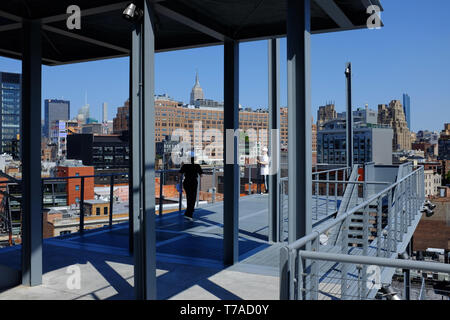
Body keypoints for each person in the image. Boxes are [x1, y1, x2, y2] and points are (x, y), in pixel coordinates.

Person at [179, 152, 203, 220]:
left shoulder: (185, 165)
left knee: (188, 197)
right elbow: (201, 175)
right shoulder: (197, 165)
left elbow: (180, 174)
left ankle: (188, 213)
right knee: (193, 198)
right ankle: (189, 213)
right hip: (193, 182)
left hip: (186, 182)